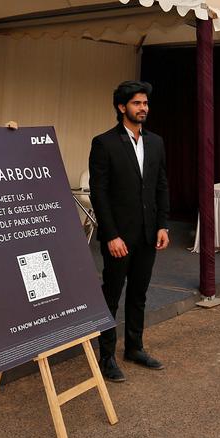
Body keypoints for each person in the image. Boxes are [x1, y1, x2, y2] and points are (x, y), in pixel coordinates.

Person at [88, 80, 170, 382]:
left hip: (149, 235)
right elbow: (100, 193)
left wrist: (162, 224)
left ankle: (134, 347)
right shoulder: (104, 143)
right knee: (111, 295)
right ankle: (106, 356)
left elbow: (161, 185)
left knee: (139, 294)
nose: (143, 108)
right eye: (137, 103)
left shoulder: (156, 142)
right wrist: (110, 235)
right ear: (122, 107)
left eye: (145, 103)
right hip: (119, 238)